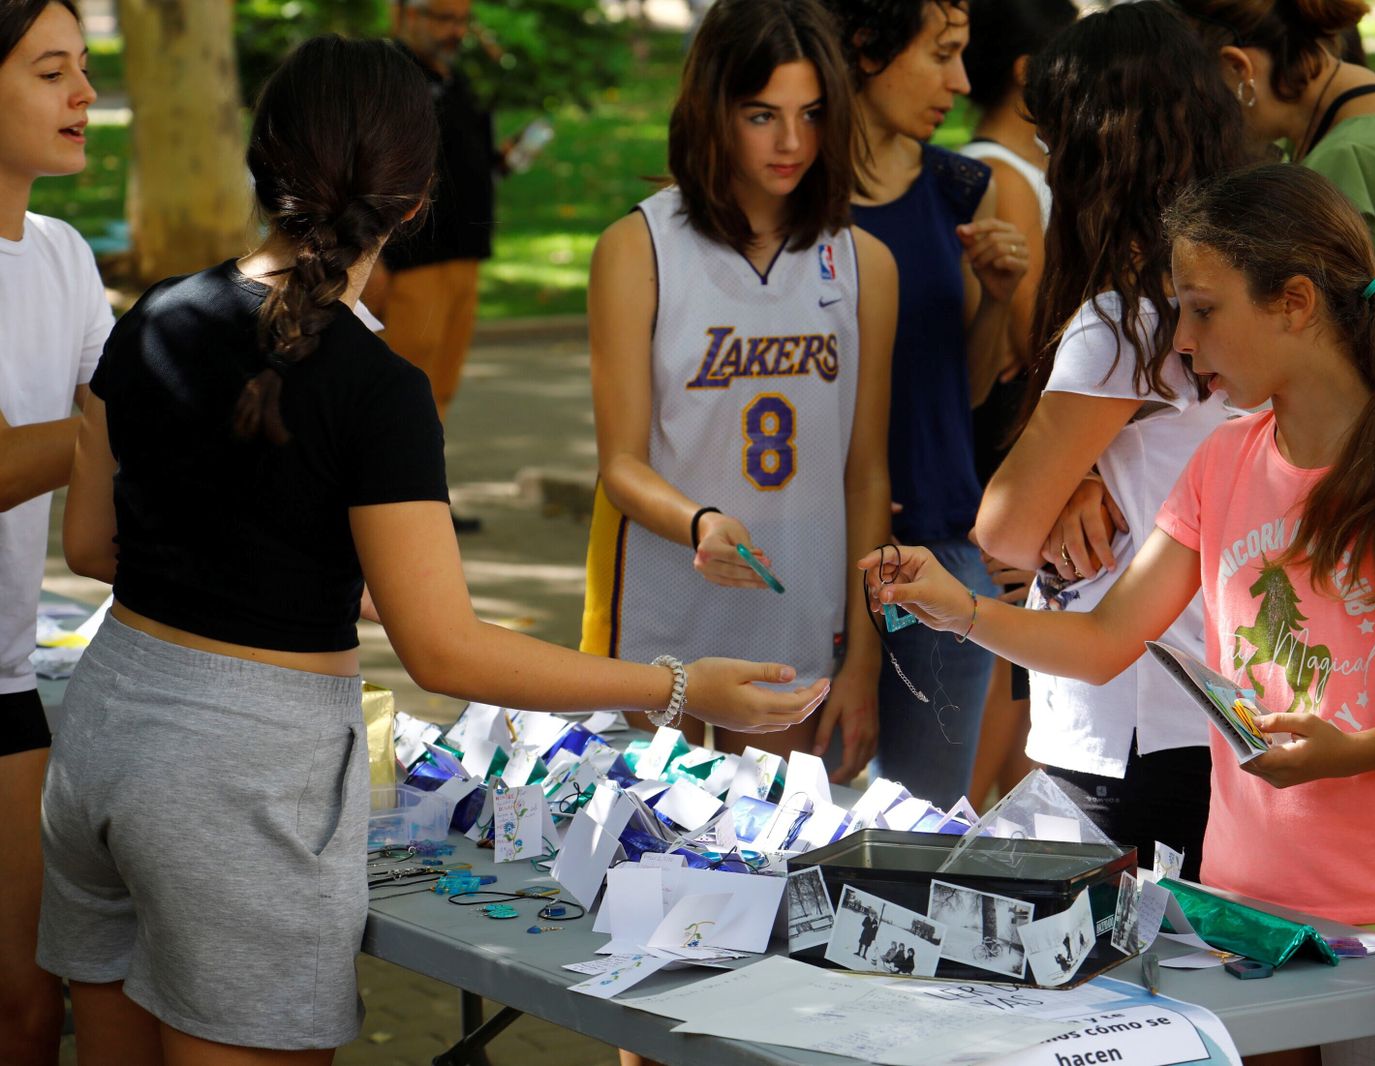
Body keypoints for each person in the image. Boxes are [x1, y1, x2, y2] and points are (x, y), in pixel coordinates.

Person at [42, 36, 828, 1063]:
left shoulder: (151, 317)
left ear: (263, 165)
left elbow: (97, 543)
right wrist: (680, 686)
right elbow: (443, 653)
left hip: (105, 731)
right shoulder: (378, 388)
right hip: (239, 783)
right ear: (413, 205)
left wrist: (293, 559)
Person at [866, 164, 1375, 968]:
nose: (1184, 339)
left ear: (1294, 303)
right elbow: (1102, 642)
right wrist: (962, 609)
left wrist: (1351, 752)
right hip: (1241, 911)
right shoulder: (1222, 461)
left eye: (1203, 309)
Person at [580, 0, 895, 779]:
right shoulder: (637, 248)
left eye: (812, 114)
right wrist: (700, 524)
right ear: (712, 109)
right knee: (650, 862)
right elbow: (620, 465)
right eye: (762, 115)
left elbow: (866, 476)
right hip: (663, 606)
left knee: (768, 876)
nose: (792, 142)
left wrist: (863, 661)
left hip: (796, 614)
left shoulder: (865, 264)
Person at [973, 1, 1251, 878]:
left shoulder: (1123, 320)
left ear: (1098, 154)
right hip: (1230, 697)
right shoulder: (1249, 293)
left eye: (1056, 145)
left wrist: (1065, 479)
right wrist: (1088, 465)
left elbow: (1006, 533)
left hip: (1127, 719)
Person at [821, 0, 1029, 806]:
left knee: (922, 836)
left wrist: (999, 302)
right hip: (818, 553)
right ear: (868, 49)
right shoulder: (797, 195)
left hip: (940, 550)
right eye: (941, 54)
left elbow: (965, 394)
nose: (961, 82)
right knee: (798, 825)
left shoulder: (961, 187)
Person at [0, 4, 108, 1061]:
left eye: (83, 68)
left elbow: (109, 494)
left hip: (6, 680)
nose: (86, 97)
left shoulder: (65, 254)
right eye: (50, 71)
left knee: (27, 1004)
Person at [959, 0, 1079, 808]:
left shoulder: (1009, 169)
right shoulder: (1001, 173)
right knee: (999, 702)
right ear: (1031, 75)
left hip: (1004, 444)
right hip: (999, 448)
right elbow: (1040, 338)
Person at [1172, 0, 1375, 299]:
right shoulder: (1363, 98)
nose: (1213, 112)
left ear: (1240, 68)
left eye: (1210, 92)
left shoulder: (1345, 155)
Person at [367, 0, 498, 533]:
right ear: (403, 14)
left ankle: (421, 504)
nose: (454, 30)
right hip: (411, 263)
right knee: (397, 396)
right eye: (441, 17)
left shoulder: (456, 81)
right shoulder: (386, 77)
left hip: (462, 258)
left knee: (438, 391)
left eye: (461, 18)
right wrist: (373, 256)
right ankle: (375, 512)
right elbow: (370, 166)